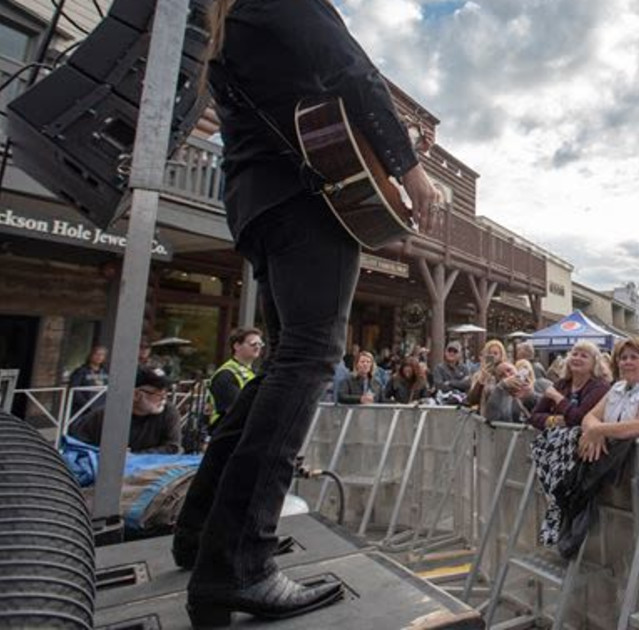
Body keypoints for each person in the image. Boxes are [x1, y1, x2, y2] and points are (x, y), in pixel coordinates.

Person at [171, 0, 442, 623]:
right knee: (310, 356)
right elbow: (353, 70)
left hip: (258, 203)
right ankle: (238, 562)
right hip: (307, 200)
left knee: (281, 365)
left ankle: (203, 532)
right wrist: (411, 170)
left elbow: (315, 103)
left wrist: (394, 140)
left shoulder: (227, 20)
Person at [578, 337, 639, 462]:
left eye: (634, 357)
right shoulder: (616, 388)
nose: (628, 362)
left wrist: (599, 430)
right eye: (623, 358)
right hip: (618, 465)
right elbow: (589, 418)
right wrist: (595, 432)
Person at [70, 366, 181, 454]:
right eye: (158, 393)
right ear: (136, 394)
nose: (164, 398)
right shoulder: (105, 415)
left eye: (166, 392)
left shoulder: (168, 412)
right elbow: (77, 444)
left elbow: (173, 448)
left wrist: (135, 457)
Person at [528, 341, 610, 431]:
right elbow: (534, 416)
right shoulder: (561, 384)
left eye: (584, 356)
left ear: (594, 364)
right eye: (574, 354)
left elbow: (579, 419)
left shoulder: (600, 387)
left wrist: (557, 397)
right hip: (554, 438)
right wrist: (554, 420)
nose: (577, 358)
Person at [206, 328, 262, 430]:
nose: (257, 347)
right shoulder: (225, 374)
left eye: (260, 344)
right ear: (237, 346)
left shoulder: (253, 373)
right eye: (253, 344)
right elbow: (237, 410)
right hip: (226, 431)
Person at [67, 345, 109, 416]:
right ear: (90, 355)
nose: (99, 357)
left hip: (101, 409)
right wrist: (86, 404)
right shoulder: (81, 371)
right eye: (97, 354)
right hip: (83, 410)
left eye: (102, 355)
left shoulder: (106, 372)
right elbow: (74, 390)